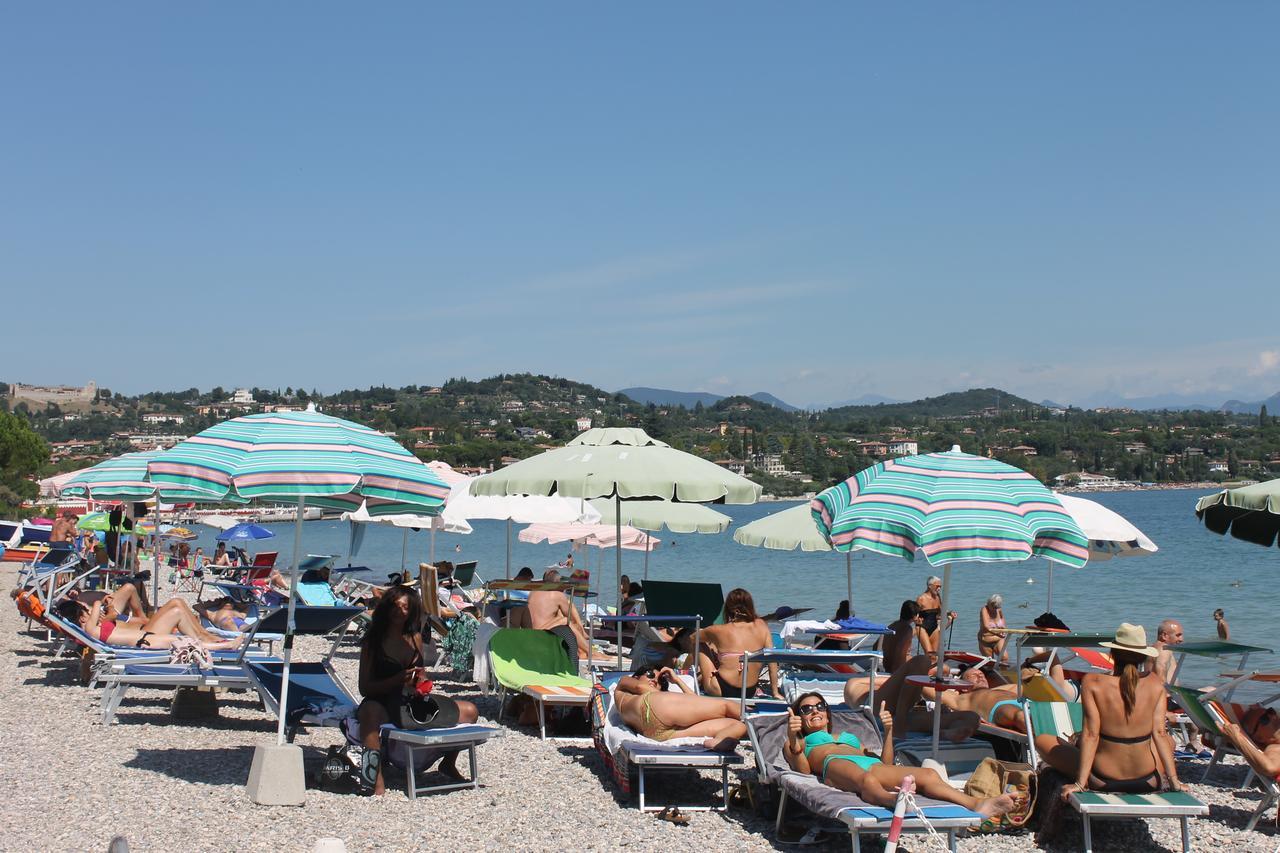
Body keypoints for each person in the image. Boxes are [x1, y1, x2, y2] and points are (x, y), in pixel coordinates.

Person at [785, 692, 1019, 819]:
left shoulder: (849, 737)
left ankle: (977, 803)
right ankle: (892, 801)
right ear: (800, 718)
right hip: (834, 765)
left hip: (870, 763)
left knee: (927, 774)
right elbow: (803, 770)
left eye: (820, 705)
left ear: (827, 712)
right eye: (806, 709)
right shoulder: (800, 741)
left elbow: (885, 762)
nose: (815, 710)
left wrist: (888, 732)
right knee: (868, 781)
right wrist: (793, 735)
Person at [1037, 624, 1184, 797]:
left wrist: (1080, 783)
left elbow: (1091, 735)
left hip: (1102, 778)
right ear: (1143, 657)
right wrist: (1174, 782)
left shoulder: (1092, 682)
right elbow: (1159, 733)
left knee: (1042, 740)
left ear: (1112, 654)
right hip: (1147, 779)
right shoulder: (1155, 683)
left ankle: (1083, 774)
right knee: (1169, 742)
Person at [356, 586, 479, 795]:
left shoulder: (415, 638)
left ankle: (448, 764)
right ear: (386, 608)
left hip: (409, 701)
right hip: (382, 701)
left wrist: (421, 683)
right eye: (395, 606)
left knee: (470, 710)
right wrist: (396, 680)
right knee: (368, 713)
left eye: (405, 607)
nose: (399, 611)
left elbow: (421, 675)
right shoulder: (373, 641)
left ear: (412, 611)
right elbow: (365, 687)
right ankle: (374, 777)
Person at [615, 665, 745, 751]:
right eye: (650, 674)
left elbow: (696, 701)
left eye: (661, 681)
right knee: (726, 706)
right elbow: (639, 687)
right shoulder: (624, 681)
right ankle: (758, 719)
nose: (655, 680)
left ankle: (720, 741)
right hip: (654, 707)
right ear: (636, 676)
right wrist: (664, 694)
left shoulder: (629, 699)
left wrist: (677, 680)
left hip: (659, 734)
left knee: (737, 725)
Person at [57, 598, 240, 650]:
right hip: (145, 639)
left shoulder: (94, 627)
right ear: (81, 617)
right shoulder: (89, 629)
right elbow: (95, 607)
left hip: (145, 636)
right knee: (185, 640)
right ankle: (221, 644)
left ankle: (210, 638)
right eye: (85, 610)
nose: (90, 610)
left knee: (177, 607)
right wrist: (96, 604)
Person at [697, 588, 782, 700]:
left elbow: (693, 638)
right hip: (749, 691)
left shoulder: (718, 630)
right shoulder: (762, 626)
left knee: (699, 643)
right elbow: (772, 660)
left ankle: (693, 677)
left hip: (720, 688)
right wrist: (775, 692)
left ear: (728, 608)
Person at [527, 568, 591, 660]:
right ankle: (588, 651)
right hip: (541, 634)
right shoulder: (557, 595)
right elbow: (570, 619)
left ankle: (584, 650)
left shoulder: (533, 592)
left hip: (531, 633)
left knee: (564, 613)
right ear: (558, 583)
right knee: (565, 620)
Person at [915, 576, 955, 655]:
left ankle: (928, 667)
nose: (939, 588)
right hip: (922, 627)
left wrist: (950, 613)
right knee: (929, 654)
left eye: (940, 587)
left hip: (934, 628)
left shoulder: (938, 597)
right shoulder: (921, 599)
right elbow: (913, 615)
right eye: (937, 586)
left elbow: (942, 611)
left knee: (934, 656)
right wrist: (916, 620)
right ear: (930, 586)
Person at [880, 600, 923, 674]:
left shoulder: (892, 626)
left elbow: (875, 646)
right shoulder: (907, 629)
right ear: (914, 616)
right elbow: (900, 652)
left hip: (886, 666)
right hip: (896, 670)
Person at [978, 594, 1008, 662]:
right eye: (993, 607)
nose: (994, 609)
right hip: (985, 640)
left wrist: (1003, 627)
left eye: (996, 607)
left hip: (999, 639)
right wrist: (997, 634)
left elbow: (1002, 618)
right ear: (989, 603)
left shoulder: (999, 609)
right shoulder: (984, 609)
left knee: (1004, 658)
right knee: (990, 662)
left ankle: (1003, 672)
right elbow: (986, 626)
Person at [1152, 618, 1183, 683]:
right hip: (1166, 692)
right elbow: (1160, 679)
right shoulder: (1164, 650)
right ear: (1164, 635)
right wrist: (1166, 693)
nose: (1181, 639)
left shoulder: (1153, 649)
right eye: (1178, 635)